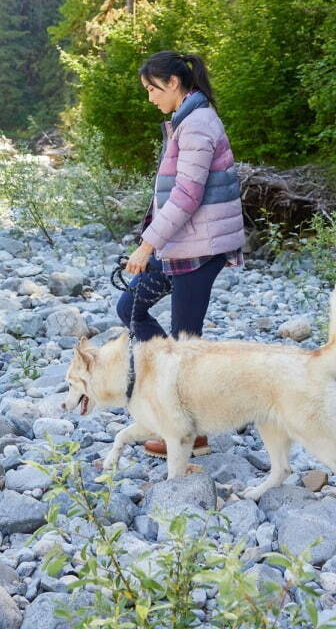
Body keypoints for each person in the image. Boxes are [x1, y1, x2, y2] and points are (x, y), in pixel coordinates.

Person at [117, 50, 245, 458]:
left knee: (186, 345)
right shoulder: (184, 121)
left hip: (199, 250)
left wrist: (147, 244)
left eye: (152, 90)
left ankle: (192, 433)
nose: (150, 98)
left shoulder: (198, 124)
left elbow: (187, 196)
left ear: (174, 83)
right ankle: (166, 385)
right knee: (131, 308)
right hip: (177, 246)